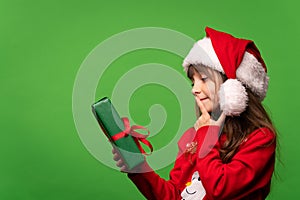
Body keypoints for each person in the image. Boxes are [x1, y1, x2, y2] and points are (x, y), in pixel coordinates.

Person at [112, 27, 276, 200]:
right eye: (193, 82)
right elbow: (176, 196)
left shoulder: (260, 138)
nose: (195, 90)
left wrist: (207, 136)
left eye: (203, 79)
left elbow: (220, 189)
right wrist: (138, 168)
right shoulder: (192, 136)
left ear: (232, 86)